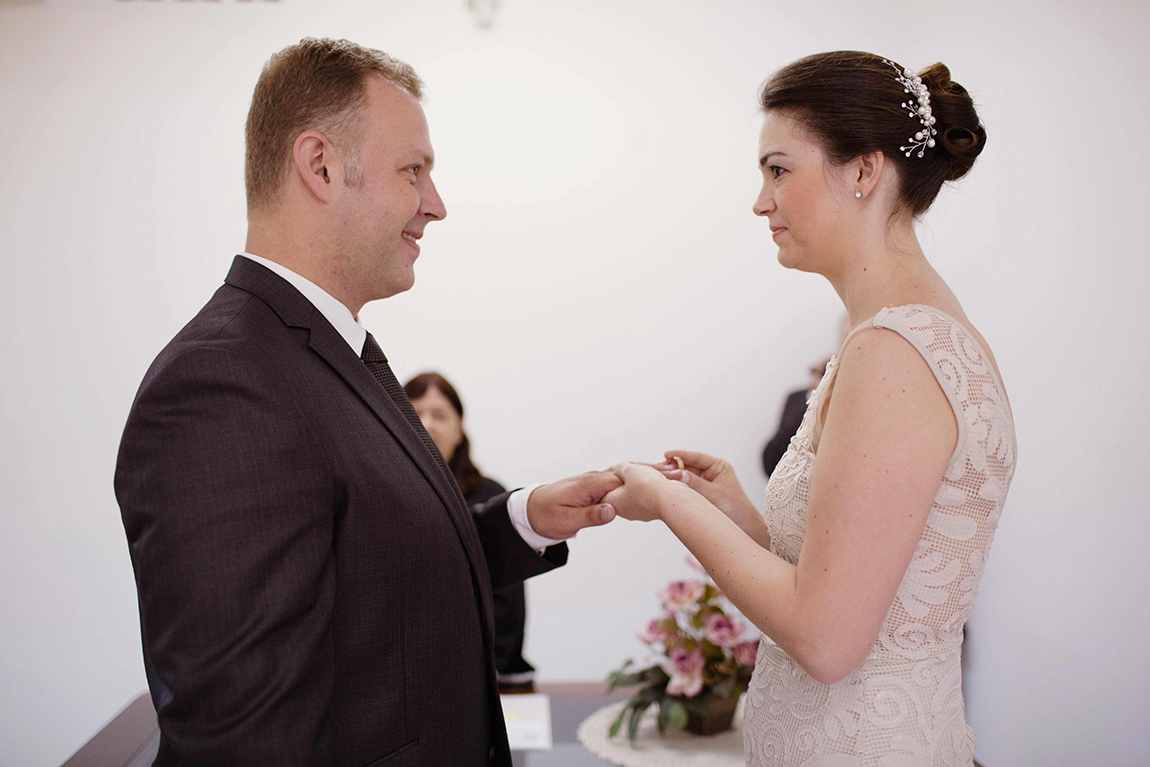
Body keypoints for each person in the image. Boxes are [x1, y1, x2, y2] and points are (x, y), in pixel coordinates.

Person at [114, 38, 621, 767]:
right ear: (319, 165)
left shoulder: (329, 349)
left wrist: (523, 516)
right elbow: (246, 741)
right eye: (413, 170)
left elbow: (378, 572)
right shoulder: (220, 386)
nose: (435, 206)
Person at [605, 51, 1015, 765]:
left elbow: (826, 640)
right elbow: (853, 590)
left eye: (779, 169)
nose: (761, 200)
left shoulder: (894, 351)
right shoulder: (903, 333)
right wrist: (736, 510)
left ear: (863, 170)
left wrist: (673, 506)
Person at [405, 371, 536, 691]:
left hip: (481, 678)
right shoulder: (379, 495)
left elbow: (508, 603)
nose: (427, 424)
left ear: (459, 429)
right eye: (414, 413)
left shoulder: (491, 496)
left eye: (439, 415)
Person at [760, 356, 829, 477]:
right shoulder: (795, 398)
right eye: (815, 371)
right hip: (785, 465)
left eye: (824, 372)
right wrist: (813, 400)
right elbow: (781, 438)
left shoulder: (835, 405)